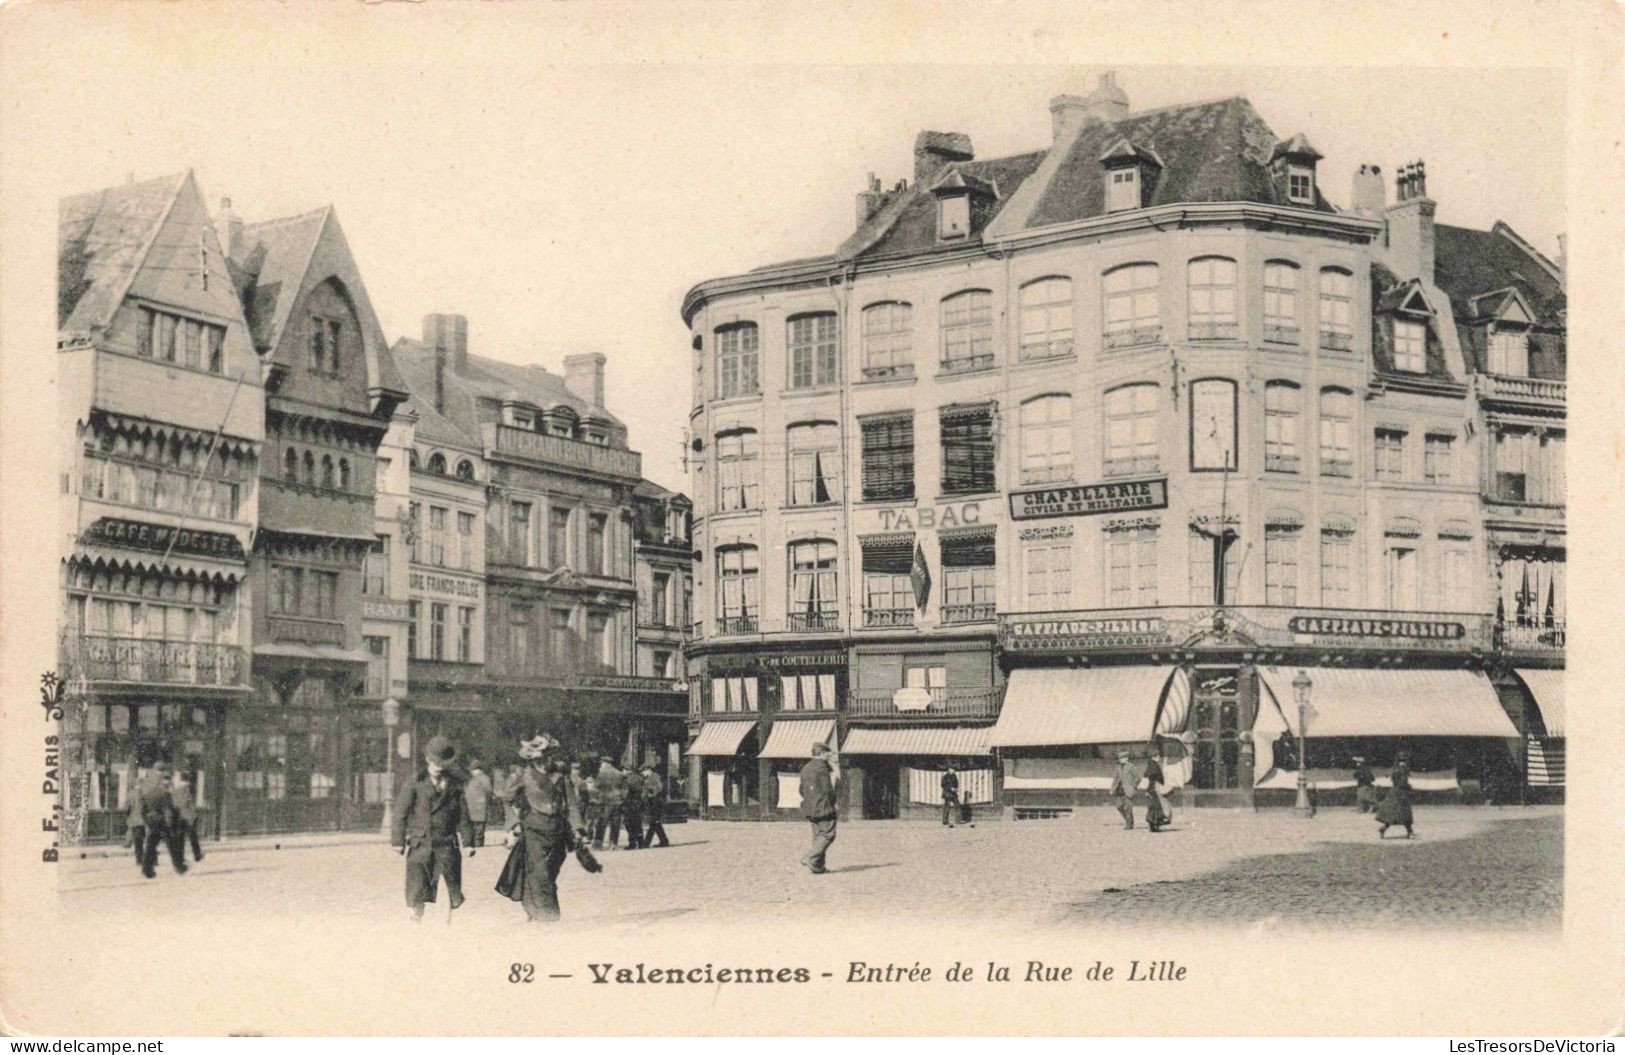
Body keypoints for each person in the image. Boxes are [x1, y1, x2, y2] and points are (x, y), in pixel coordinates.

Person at [390, 735, 475, 923]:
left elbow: (463, 815)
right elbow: (400, 813)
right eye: (437, 763)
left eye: (444, 763)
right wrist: (397, 841)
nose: (441, 767)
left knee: (449, 885)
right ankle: (415, 918)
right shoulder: (415, 782)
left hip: (446, 843)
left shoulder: (455, 784)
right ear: (428, 760)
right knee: (418, 885)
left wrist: (468, 842)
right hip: (421, 843)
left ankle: (447, 923)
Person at [508, 734, 586, 922]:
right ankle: (549, 916)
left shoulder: (560, 774)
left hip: (558, 830)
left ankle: (533, 908)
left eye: (548, 755)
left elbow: (572, 802)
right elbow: (507, 799)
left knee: (550, 872)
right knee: (539, 872)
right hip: (534, 828)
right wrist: (512, 824)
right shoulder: (523, 775)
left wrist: (578, 827)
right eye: (541, 756)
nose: (545, 760)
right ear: (533, 757)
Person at [137, 761, 186, 879]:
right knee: (172, 843)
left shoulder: (145, 784)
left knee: (150, 844)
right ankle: (179, 866)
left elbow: (141, 804)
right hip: (163, 819)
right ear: (162, 771)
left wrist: (146, 818)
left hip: (151, 818)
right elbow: (168, 803)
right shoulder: (163, 784)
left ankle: (147, 870)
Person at [798, 742, 839, 874]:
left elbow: (801, 789)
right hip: (823, 806)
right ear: (821, 754)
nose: (829, 756)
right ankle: (810, 857)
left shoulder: (806, 767)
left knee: (818, 836)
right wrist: (833, 803)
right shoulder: (822, 768)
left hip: (809, 807)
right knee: (828, 835)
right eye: (828, 753)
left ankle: (817, 867)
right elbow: (828, 790)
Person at [1375, 752, 1416, 839]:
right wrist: (1409, 787)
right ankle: (1410, 833)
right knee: (1405, 813)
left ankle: (1384, 829)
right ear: (1405, 760)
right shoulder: (1403, 769)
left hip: (1393, 792)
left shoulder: (1394, 768)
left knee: (1393, 814)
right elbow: (1403, 782)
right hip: (1401, 793)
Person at [170, 769, 205, 863]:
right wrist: (194, 814)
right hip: (188, 815)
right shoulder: (187, 788)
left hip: (179, 815)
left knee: (180, 838)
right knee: (193, 836)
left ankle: (180, 858)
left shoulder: (175, 789)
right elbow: (190, 802)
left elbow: (173, 802)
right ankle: (197, 854)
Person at [595, 759, 627, 850]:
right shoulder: (620, 774)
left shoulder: (602, 774)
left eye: (601, 764)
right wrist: (622, 799)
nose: (600, 766)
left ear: (605, 764)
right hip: (618, 801)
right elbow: (625, 789)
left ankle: (598, 844)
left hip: (606, 801)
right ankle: (613, 844)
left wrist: (598, 798)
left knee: (601, 823)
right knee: (615, 823)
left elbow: (595, 788)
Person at [464, 759, 493, 848]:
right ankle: (478, 846)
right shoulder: (484, 778)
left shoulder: (469, 778)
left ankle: (471, 845)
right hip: (480, 806)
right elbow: (489, 790)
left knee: (470, 827)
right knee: (479, 829)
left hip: (469, 806)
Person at [638, 765, 669, 848]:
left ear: (648, 769)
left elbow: (660, 787)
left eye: (643, 771)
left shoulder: (655, 776)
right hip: (652, 802)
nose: (643, 773)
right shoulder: (648, 778)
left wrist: (651, 791)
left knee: (654, 822)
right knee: (655, 822)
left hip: (657, 801)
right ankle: (664, 841)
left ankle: (646, 843)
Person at [1142, 745, 1171, 833]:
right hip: (1154, 787)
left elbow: (1146, 774)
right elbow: (1152, 775)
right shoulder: (1153, 765)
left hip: (1153, 787)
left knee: (1154, 806)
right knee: (1156, 806)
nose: (1159, 758)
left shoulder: (1151, 764)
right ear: (1153, 757)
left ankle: (1154, 825)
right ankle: (1154, 825)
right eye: (1157, 756)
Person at [621, 764, 646, 851]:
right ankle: (641, 842)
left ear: (626, 770)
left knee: (629, 823)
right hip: (639, 803)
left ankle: (632, 843)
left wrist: (623, 803)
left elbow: (625, 793)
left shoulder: (627, 779)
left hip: (630, 803)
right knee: (638, 823)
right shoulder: (640, 778)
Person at [1109, 751, 1136, 830]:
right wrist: (1112, 789)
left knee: (1128, 808)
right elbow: (1116, 779)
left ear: (1126, 758)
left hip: (1128, 790)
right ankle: (1128, 820)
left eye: (1123, 758)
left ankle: (1129, 824)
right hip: (1120, 791)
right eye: (1120, 758)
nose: (1121, 760)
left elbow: (1138, 778)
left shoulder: (1132, 767)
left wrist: (1133, 787)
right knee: (1119, 806)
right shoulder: (1119, 768)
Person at [125, 770, 146, 866]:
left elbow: (127, 808)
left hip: (133, 820)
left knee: (138, 841)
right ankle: (147, 860)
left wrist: (128, 815)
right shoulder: (144, 793)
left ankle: (139, 860)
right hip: (143, 820)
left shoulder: (130, 793)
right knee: (144, 841)